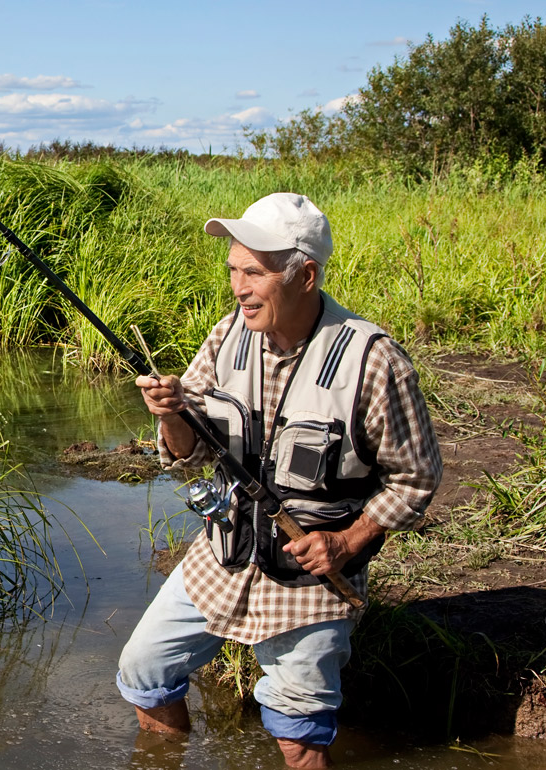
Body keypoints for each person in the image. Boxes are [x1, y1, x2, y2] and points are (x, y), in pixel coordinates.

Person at [115, 192, 442, 768]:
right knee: (144, 670)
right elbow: (186, 453)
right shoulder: (226, 337)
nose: (238, 287)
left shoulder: (375, 360)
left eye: (254, 273)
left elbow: (415, 478)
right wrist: (169, 413)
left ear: (306, 275)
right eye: (234, 270)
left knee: (297, 733)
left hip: (308, 580)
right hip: (222, 555)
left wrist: (349, 541)